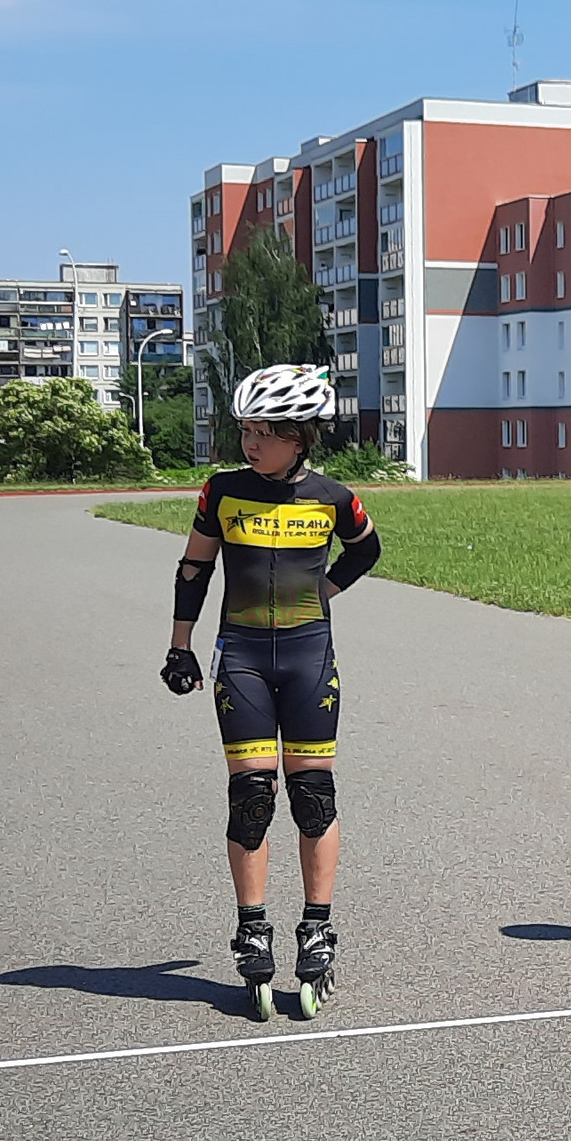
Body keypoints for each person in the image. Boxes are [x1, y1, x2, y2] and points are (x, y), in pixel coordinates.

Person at [160, 364, 380, 1019]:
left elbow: (366, 551)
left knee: (313, 797)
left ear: (301, 436)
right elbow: (195, 567)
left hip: (310, 657)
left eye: (266, 433)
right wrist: (179, 646)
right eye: (246, 431)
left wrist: (323, 593)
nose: (251, 444)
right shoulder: (222, 491)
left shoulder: (333, 497)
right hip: (244, 657)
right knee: (252, 797)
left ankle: (318, 927)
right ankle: (252, 927)